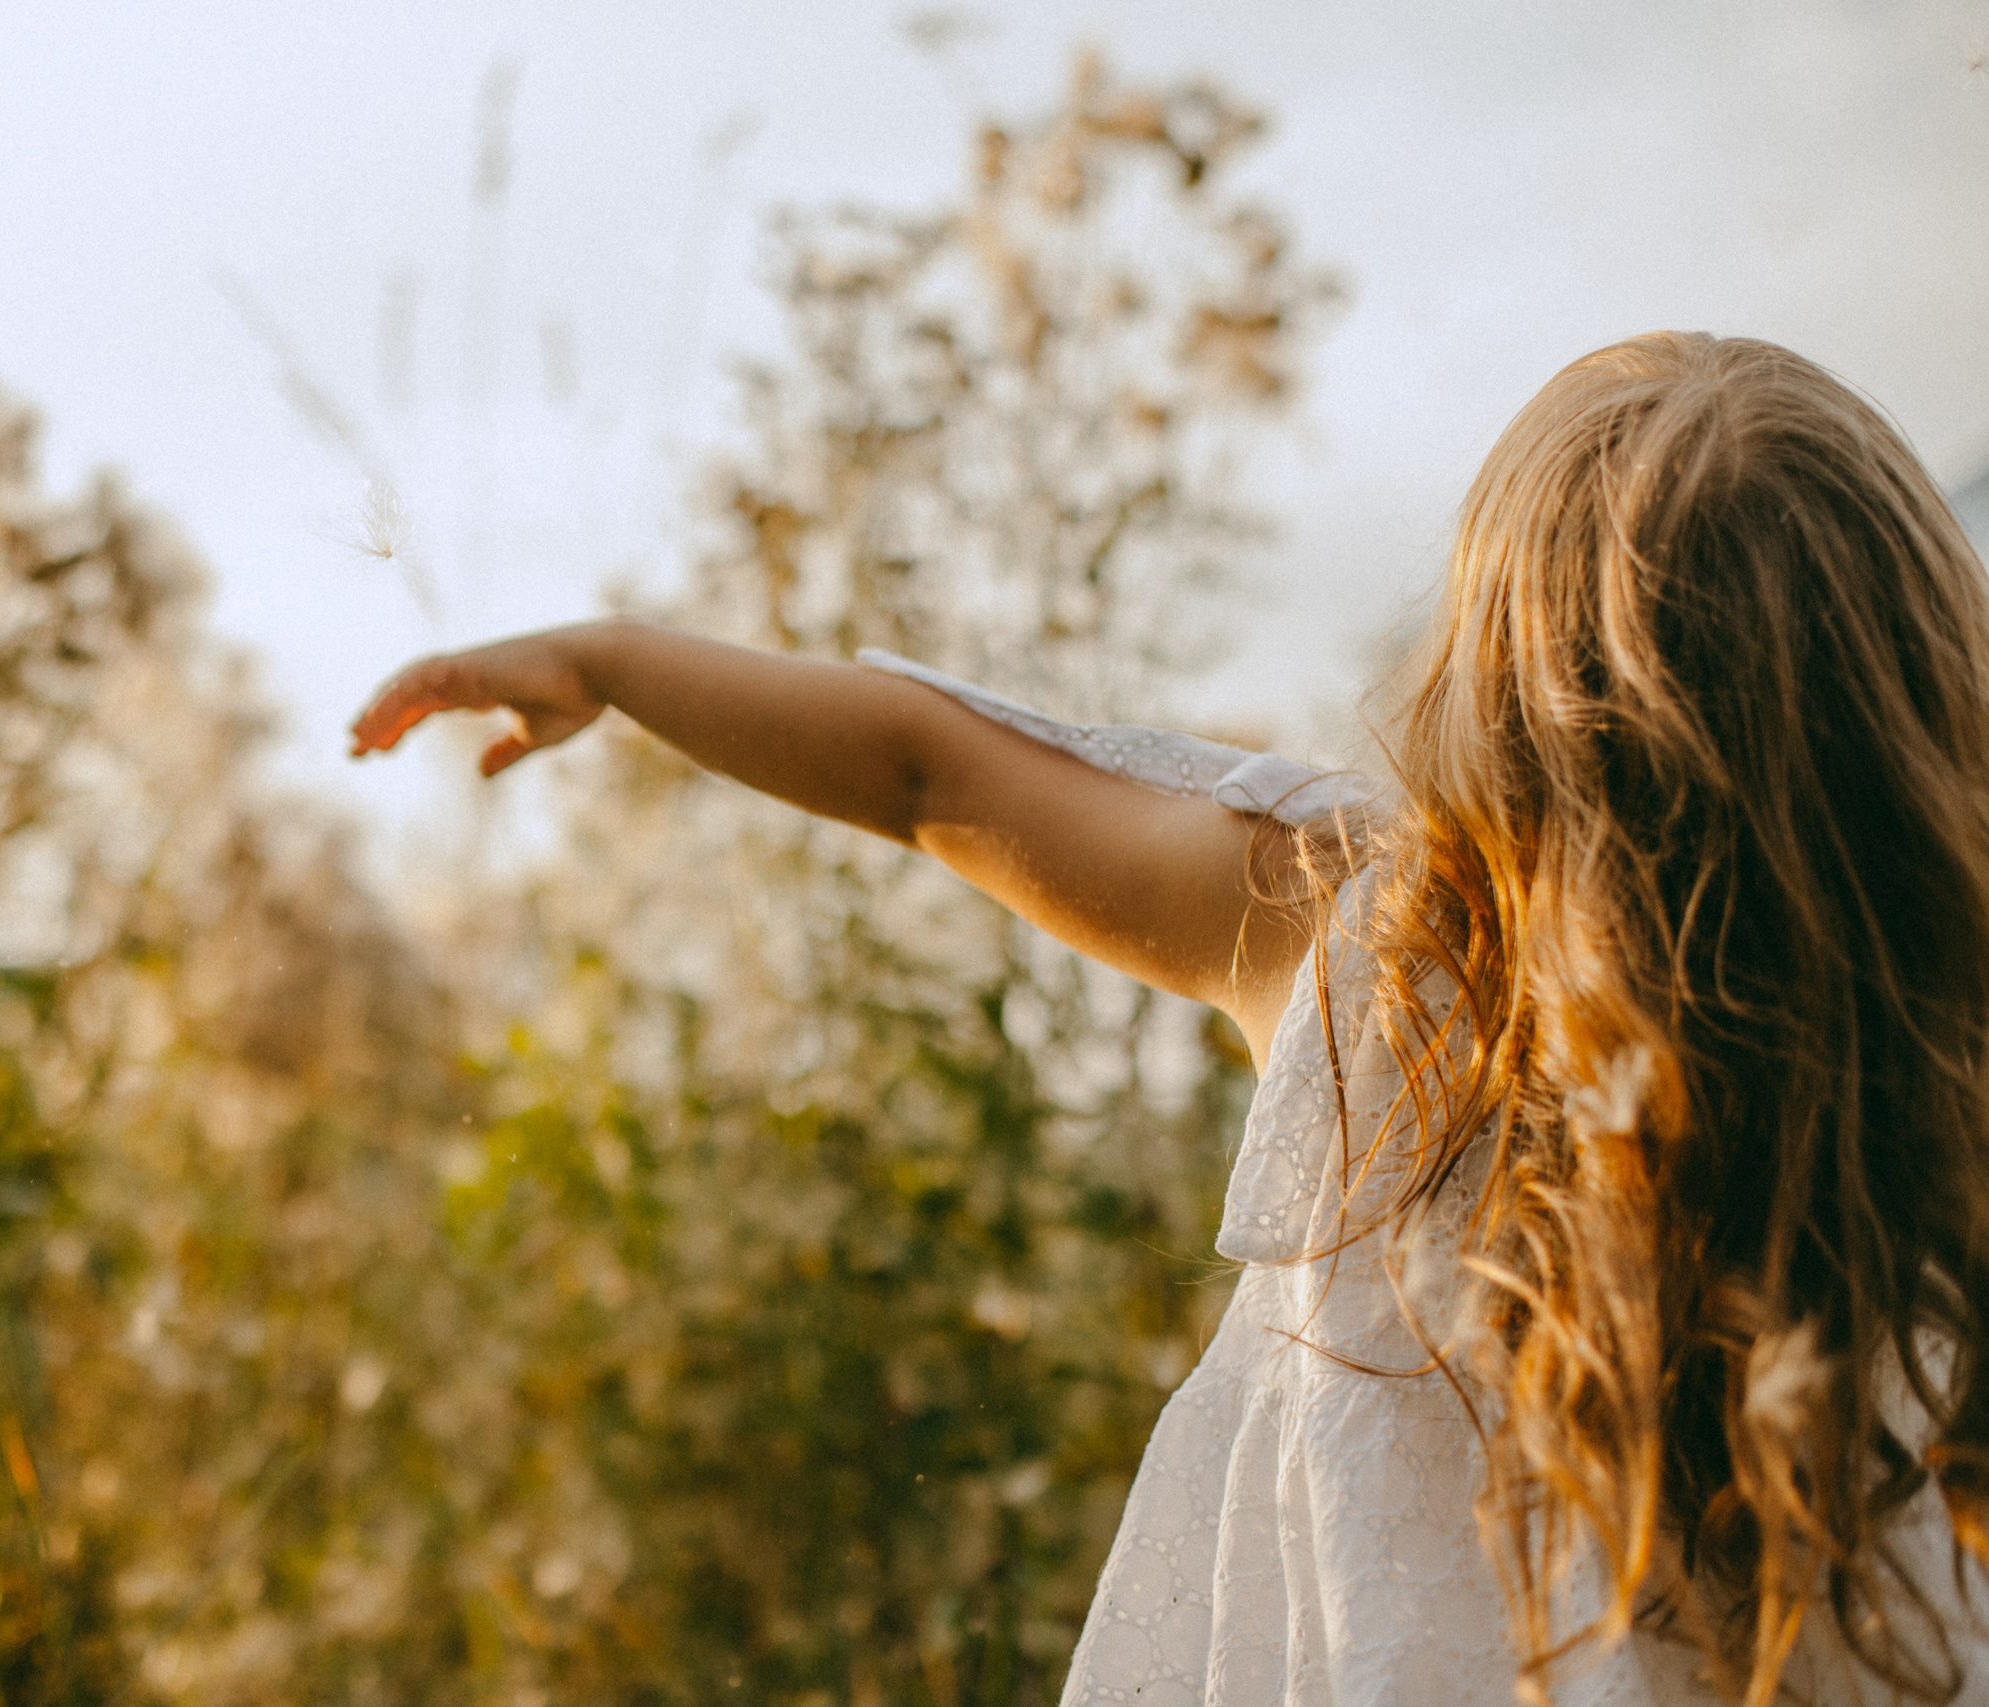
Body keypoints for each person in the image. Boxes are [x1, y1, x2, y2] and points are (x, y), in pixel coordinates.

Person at [349, 332, 1989, 1706]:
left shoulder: (1382, 955)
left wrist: (613, 657)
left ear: (1498, 693)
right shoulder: (1943, 1074)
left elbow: (935, 771)